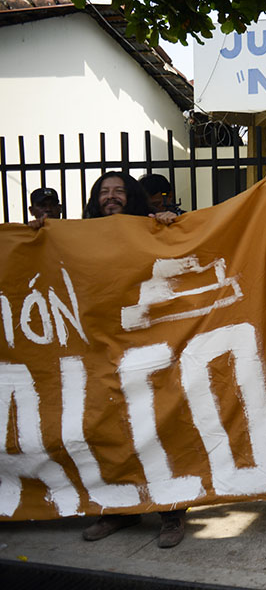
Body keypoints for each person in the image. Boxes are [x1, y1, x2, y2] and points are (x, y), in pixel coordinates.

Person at [30, 172, 181, 546]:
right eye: (104, 192)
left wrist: (166, 225)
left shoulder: (150, 227)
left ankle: (172, 512)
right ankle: (119, 511)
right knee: (109, 431)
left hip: (147, 343)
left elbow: (182, 254)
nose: (110, 197)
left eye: (118, 191)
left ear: (131, 196)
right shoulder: (80, 233)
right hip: (98, 349)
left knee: (157, 427)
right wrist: (40, 233)